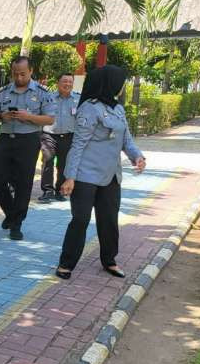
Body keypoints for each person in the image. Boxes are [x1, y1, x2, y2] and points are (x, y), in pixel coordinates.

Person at [56, 65, 146, 280]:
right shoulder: (89, 108)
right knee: (81, 219)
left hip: (111, 175)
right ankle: (66, 263)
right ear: (110, 83)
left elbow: (126, 140)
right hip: (85, 175)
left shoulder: (118, 109)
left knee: (109, 220)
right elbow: (78, 144)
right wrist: (70, 177)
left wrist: (138, 156)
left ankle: (109, 260)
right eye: (120, 82)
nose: (122, 86)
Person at [0, 56, 56, 240]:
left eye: (22, 74)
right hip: (5, 139)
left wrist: (29, 117)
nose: (18, 78)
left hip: (28, 141)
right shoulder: (3, 92)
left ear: (31, 71)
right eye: (15, 74)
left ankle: (16, 224)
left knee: (23, 183)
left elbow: (50, 118)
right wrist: (2, 116)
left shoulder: (42, 92)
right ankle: (10, 213)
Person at [38, 73, 79, 203]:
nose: (67, 84)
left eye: (70, 82)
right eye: (64, 81)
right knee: (48, 158)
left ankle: (60, 190)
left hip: (68, 136)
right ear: (58, 83)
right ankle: (47, 190)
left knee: (64, 164)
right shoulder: (48, 98)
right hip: (49, 134)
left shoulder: (78, 99)